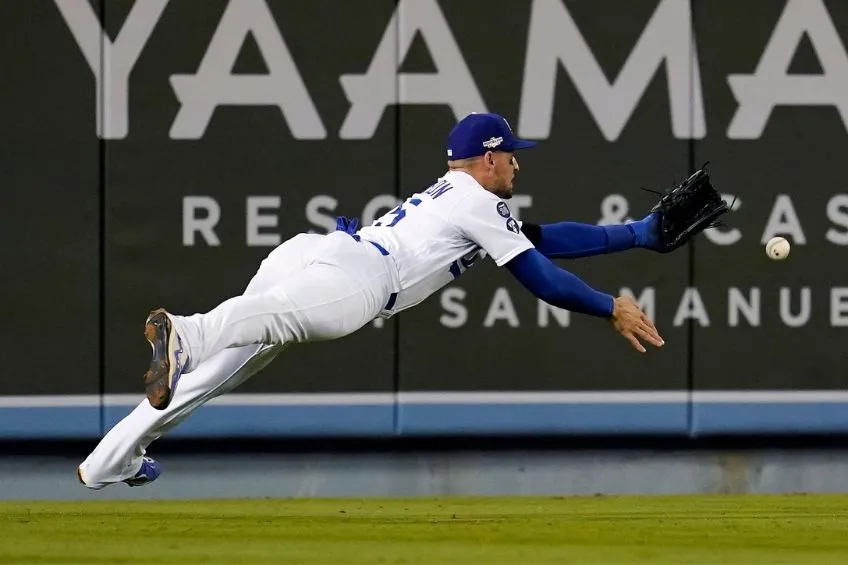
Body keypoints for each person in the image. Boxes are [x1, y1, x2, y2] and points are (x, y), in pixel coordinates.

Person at [76, 112, 664, 489]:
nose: (516, 162)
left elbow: (543, 239)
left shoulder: (462, 200)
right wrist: (609, 306)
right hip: (358, 276)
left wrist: (634, 234)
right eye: (512, 153)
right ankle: (186, 331)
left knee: (215, 372)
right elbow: (542, 279)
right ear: (489, 158)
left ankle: (109, 461)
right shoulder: (479, 203)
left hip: (318, 251)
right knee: (245, 333)